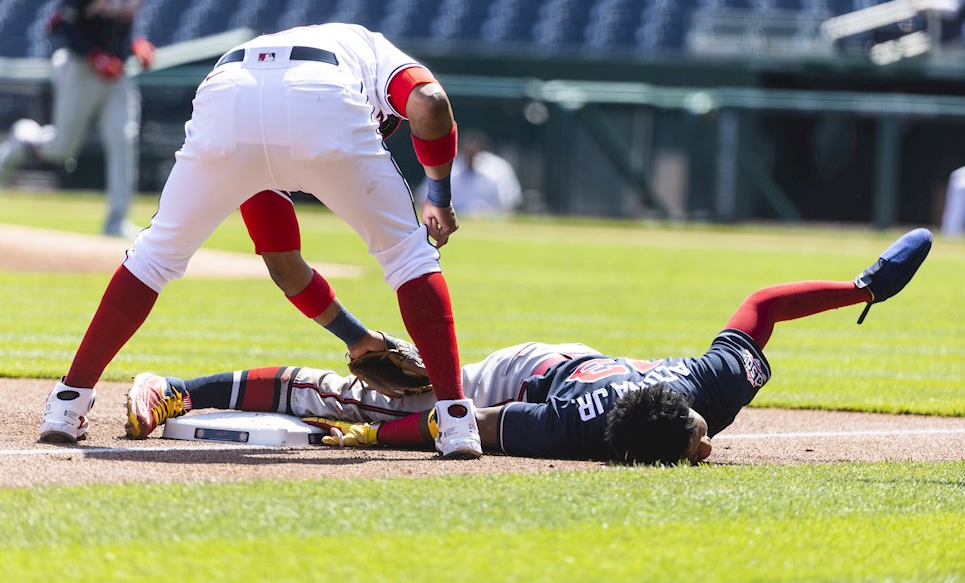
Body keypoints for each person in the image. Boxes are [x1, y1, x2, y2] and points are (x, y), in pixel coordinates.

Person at [37, 21, 483, 459]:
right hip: (322, 92)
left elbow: (284, 265)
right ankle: (457, 419)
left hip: (229, 91)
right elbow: (429, 100)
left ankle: (66, 404)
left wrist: (356, 338)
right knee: (409, 258)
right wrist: (439, 198)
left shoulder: (302, 66)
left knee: (153, 258)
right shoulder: (373, 51)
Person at [125, 228, 932, 465]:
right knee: (370, 398)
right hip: (525, 374)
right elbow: (460, 417)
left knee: (385, 411)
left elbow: (763, 306)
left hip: (563, 369)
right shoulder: (588, 424)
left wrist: (861, 289)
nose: (705, 439)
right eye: (696, 436)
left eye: (689, 440)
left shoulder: (699, 386)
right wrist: (378, 430)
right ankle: (180, 387)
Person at [0, 0, 155, 238]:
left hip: (118, 74)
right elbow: (59, 25)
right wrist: (96, 54)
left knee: (123, 140)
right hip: (81, 68)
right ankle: (24, 139)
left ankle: (116, 221)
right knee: (62, 148)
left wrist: (137, 44)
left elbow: (124, 27)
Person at [417, 130, 521, 216]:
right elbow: (423, 198)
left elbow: (511, 202)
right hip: (456, 218)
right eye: (467, 151)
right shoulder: (446, 168)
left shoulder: (498, 169)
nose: (471, 155)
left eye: (475, 151)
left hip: (492, 221)